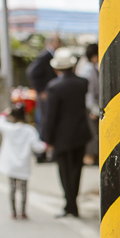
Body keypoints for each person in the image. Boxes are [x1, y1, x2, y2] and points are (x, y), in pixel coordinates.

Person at [42, 48, 91, 218]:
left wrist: (47, 139)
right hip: (80, 133)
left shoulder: (54, 87)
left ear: (57, 68)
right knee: (77, 170)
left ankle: (70, 205)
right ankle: (72, 204)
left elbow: (50, 116)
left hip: (62, 137)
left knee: (65, 171)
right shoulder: (83, 83)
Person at [0, 104, 47, 219]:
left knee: (12, 189)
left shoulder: (9, 129)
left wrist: (5, 112)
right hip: (23, 165)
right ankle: (23, 212)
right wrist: (47, 146)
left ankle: (13, 212)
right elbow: (38, 147)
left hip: (11, 165)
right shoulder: (30, 131)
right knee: (23, 189)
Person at [26, 35, 62, 149]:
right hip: (45, 94)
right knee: (43, 119)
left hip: (48, 93)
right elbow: (32, 72)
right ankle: (41, 148)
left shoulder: (49, 55)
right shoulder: (45, 55)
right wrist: (41, 90)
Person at [77, 43, 100, 166]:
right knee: (92, 132)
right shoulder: (88, 70)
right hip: (90, 106)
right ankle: (90, 157)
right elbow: (89, 91)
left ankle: (92, 156)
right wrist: (93, 109)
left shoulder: (89, 67)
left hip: (90, 105)